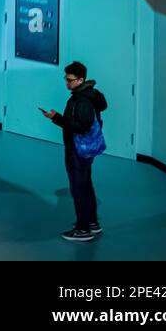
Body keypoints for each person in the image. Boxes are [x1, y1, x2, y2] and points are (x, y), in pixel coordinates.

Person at [41, 61, 108, 242]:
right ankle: (92, 222)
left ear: (80, 80)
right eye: (66, 79)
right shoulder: (89, 95)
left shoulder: (82, 100)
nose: (67, 83)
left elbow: (81, 126)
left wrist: (57, 118)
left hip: (77, 149)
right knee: (86, 185)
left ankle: (83, 229)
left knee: (79, 188)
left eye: (70, 80)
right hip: (85, 149)